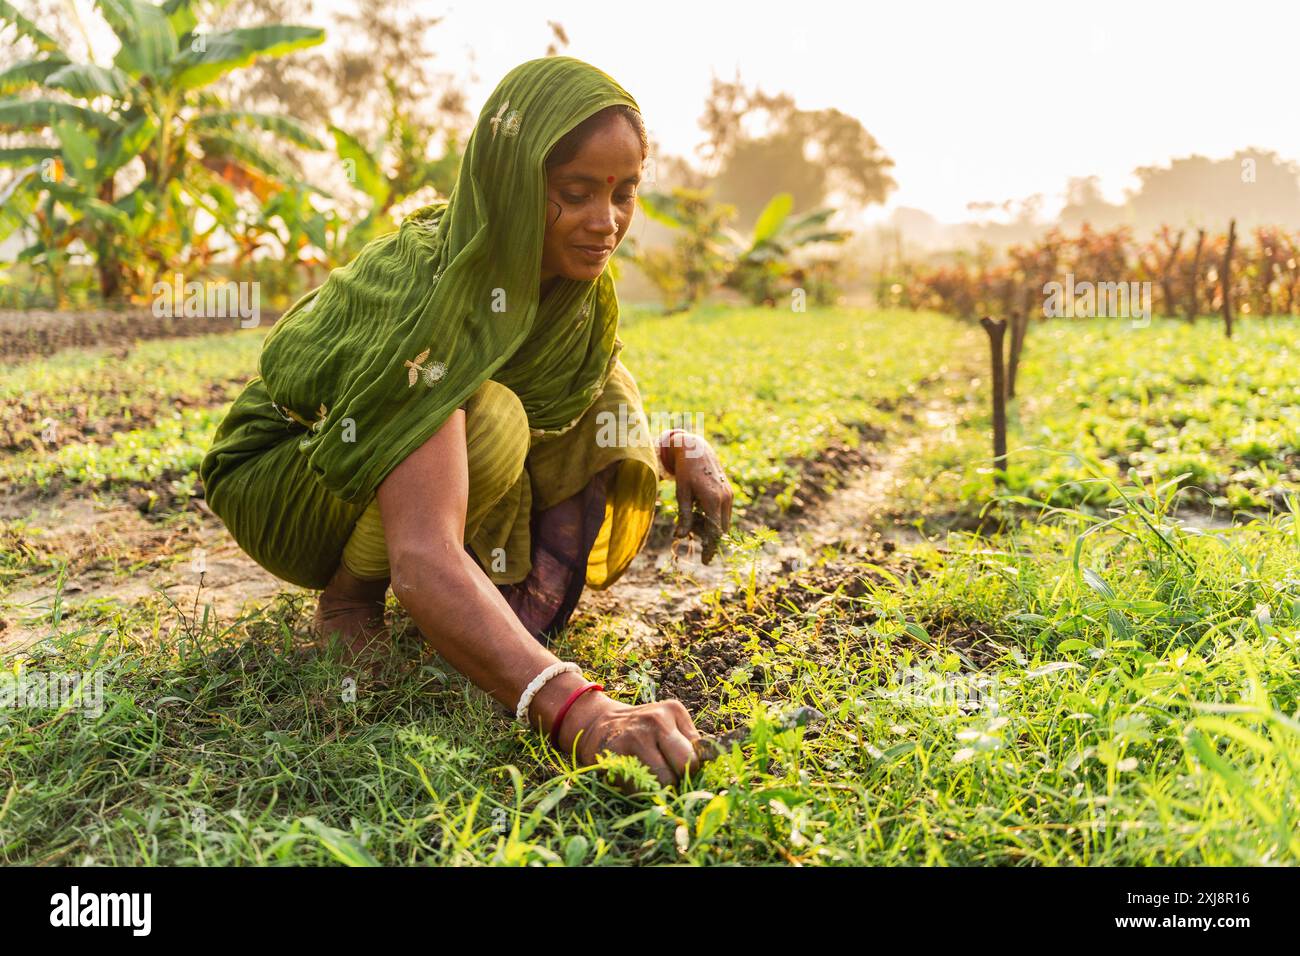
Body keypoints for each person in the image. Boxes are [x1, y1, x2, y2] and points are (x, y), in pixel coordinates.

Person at [199, 56, 734, 787]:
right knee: (490, 419)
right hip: (287, 475)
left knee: (604, 393)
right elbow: (421, 558)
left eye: (624, 192)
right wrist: (582, 713)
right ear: (513, 182)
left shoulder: (568, 291)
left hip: (388, 465)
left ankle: (486, 608)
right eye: (575, 193)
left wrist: (678, 445)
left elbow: (597, 389)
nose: (605, 222)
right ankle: (349, 603)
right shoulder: (432, 282)